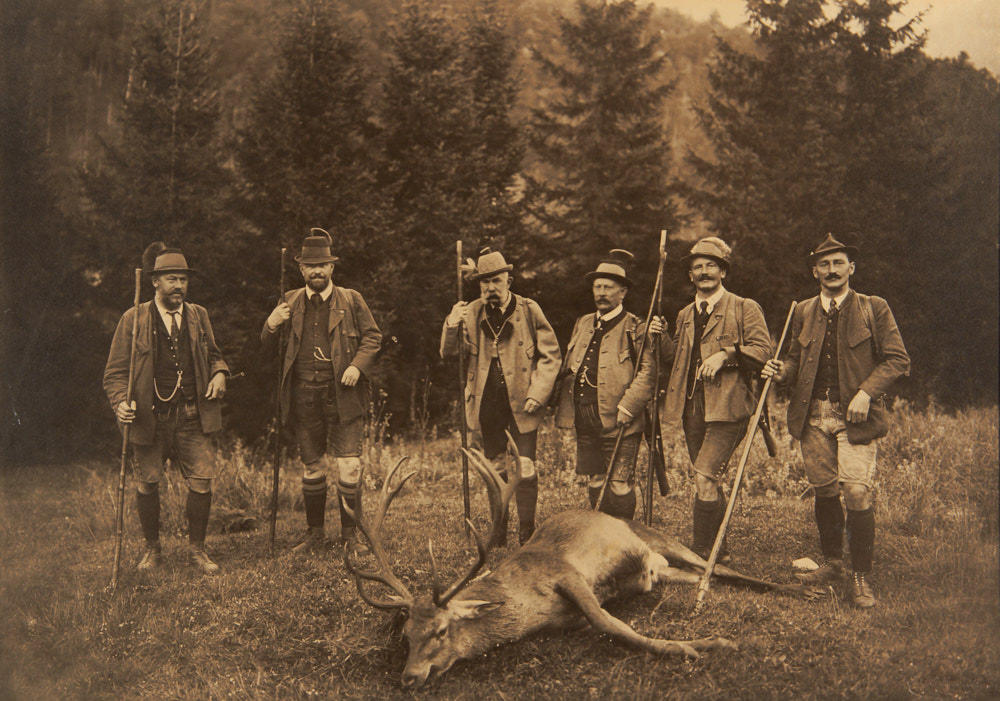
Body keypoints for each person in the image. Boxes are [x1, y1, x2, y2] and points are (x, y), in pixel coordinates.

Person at [762, 233, 909, 608]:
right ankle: (834, 564)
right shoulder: (804, 311)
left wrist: (865, 392)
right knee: (825, 490)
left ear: (851, 268)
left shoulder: (873, 308)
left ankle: (860, 576)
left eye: (838, 262)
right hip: (812, 417)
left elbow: (897, 360)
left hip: (856, 418)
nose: (831, 270)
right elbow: (796, 359)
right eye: (824, 264)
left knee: (856, 491)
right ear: (815, 271)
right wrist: (782, 372)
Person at [103, 243, 230, 574]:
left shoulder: (199, 316)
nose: (179, 286)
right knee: (147, 483)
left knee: (202, 480)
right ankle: (152, 550)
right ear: (155, 282)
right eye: (172, 279)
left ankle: (197, 550)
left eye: (184, 280)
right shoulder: (133, 318)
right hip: (150, 418)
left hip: (193, 415)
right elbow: (114, 374)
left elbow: (215, 355)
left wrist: (218, 373)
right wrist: (121, 403)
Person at [261, 230, 382, 552]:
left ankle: (350, 536)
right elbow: (266, 348)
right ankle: (314, 534)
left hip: (343, 395)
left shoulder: (351, 299)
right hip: (304, 396)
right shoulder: (289, 301)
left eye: (323, 265)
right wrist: (271, 324)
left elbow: (373, 338)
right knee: (312, 466)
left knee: (349, 465)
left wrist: (357, 365)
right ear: (301, 270)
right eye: (310, 266)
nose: (317, 271)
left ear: (332, 268)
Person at [660, 236, 772, 562]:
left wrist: (726, 355)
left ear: (723, 271)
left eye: (711, 265)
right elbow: (674, 360)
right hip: (692, 408)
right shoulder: (683, 314)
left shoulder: (743, 307)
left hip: (730, 406)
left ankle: (701, 550)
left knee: (704, 475)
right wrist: (660, 336)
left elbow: (763, 351)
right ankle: (718, 551)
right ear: (690, 275)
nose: (704, 271)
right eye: (698, 267)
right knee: (707, 477)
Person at [441, 248, 561, 545]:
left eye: (496, 281)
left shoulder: (529, 310)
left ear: (509, 279)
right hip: (486, 403)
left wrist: (539, 392)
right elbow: (450, 354)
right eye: (484, 283)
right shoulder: (470, 312)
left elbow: (551, 356)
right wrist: (451, 323)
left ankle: (526, 530)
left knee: (525, 466)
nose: (490, 288)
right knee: (494, 467)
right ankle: (498, 531)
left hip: (523, 402)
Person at [555, 250, 672, 519]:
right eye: (597, 286)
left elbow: (649, 372)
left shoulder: (635, 326)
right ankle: (603, 534)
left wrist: (629, 407)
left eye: (608, 287)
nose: (601, 292)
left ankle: (624, 536)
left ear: (623, 292)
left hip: (622, 419)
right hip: (586, 418)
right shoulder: (583, 323)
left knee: (619, 483)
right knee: (596, 479)